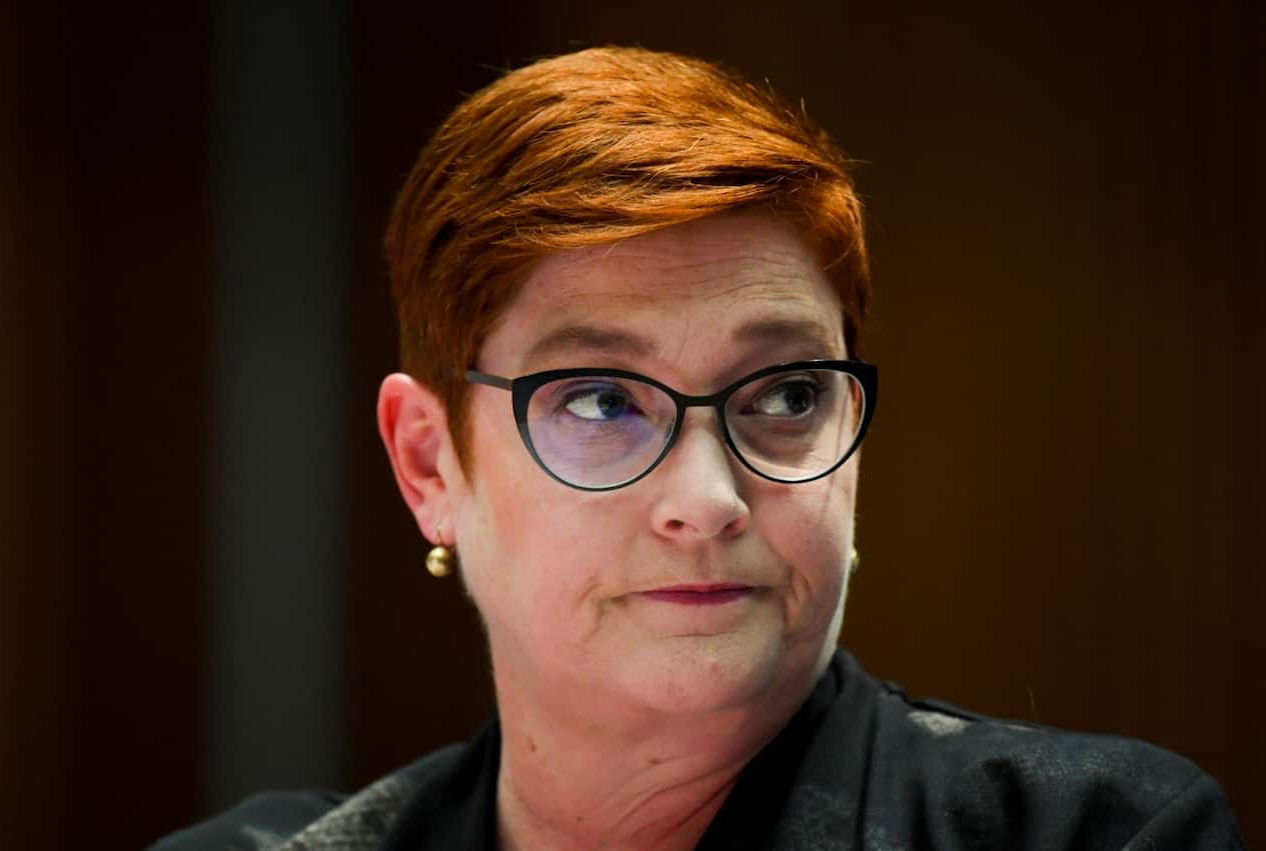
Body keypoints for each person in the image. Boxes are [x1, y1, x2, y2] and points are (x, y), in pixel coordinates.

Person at [152, 46, 1244, 850]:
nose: (709, 497)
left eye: (783, 392)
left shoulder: (1092, 833)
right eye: (595, 399)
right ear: (430, 467)